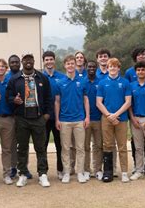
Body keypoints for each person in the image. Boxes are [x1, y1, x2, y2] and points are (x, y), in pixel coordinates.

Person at [6, 53, 52, 187]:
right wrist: (14, 100)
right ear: (22, 61)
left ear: (33, 61)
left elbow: (49, 98)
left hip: (38, 118)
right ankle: (22, 174)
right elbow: (8, 97)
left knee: (41, 148)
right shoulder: (15, 79)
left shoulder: (41, 77)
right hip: (22, 118)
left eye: (30, 59)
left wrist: (47, 115)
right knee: (22, 148)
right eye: (25, 59)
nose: (28, 62)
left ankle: (42, 174)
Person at [55, 55, 90, 183]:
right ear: (65, 66)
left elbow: (86, 100)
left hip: (79, 119)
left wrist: (87, 117)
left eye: (72, 63)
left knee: (80, 148)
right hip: (64, 120)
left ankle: (80, 172)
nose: (70, 66)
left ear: (76, 65)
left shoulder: (82, 81)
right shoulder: (59, 82)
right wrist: (57, 119)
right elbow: (57, 102)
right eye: (68, 63)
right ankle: (66, 172)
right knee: (66, 148)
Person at [96, 58, 132, 183]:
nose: (112, 68)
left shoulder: (125, 82)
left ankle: (124, 172)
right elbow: (99, 102)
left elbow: (128, 102)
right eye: (110, 66)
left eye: (115, 66)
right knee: (107, 145)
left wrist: (116, 115)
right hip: (106, 118)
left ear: (118, 68)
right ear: (107, 68)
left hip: (121, 118)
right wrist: (109, 115)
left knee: (122, 146)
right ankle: (108, 172)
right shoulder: (102, 83)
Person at [42, 50, 65, 180]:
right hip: (44, 117)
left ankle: (60, 170)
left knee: (60, 145)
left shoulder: (61, 77)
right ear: (44, 61)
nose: (49, 62)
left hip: (59, 117)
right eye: (47, 60)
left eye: (51, 59)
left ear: (54, 61)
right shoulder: (40, 76)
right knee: (43, 145)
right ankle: (43, 171)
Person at [83, 60, 103, 181]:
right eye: (89, 66)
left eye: (93, 67)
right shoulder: (82, 82)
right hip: (85, 119)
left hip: (99, 118)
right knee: (85, 146)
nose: (91, 68)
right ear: (86, 67)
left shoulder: (101, 82)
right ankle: (86, 170)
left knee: (98, 145)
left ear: (96, 68)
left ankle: (98, 170)